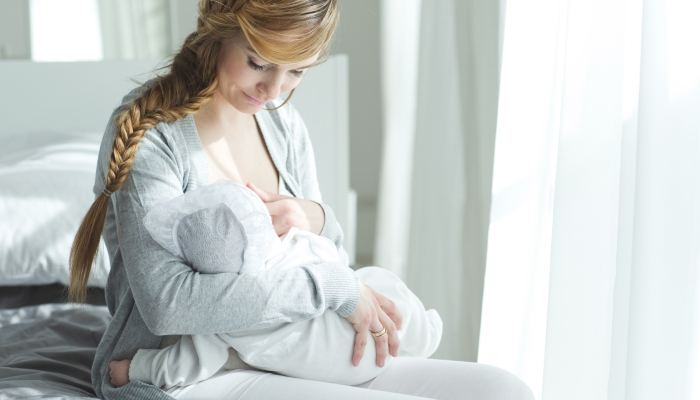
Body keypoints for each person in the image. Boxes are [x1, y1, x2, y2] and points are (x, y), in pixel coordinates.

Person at [69, 0, 536, 398]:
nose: (273, 91)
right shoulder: (154, 134)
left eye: (296, 71)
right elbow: (169, 304)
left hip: (293, 348)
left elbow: (323, 256)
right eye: (258, 62)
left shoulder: (282, 125)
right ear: (218, 30)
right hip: (182, 369)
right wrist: (332, 288)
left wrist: (317, 218)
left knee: (503, 389)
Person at [108, 180, 442, 389]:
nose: (274, 88)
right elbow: (333, 257)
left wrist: (135, 369)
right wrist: (337, 278)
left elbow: (183, 365)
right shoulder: (294, 246)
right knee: (383, 287)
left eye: (295, 72)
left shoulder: (217, 321)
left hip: (344, 368)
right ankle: (426, 331)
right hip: (365, 332)